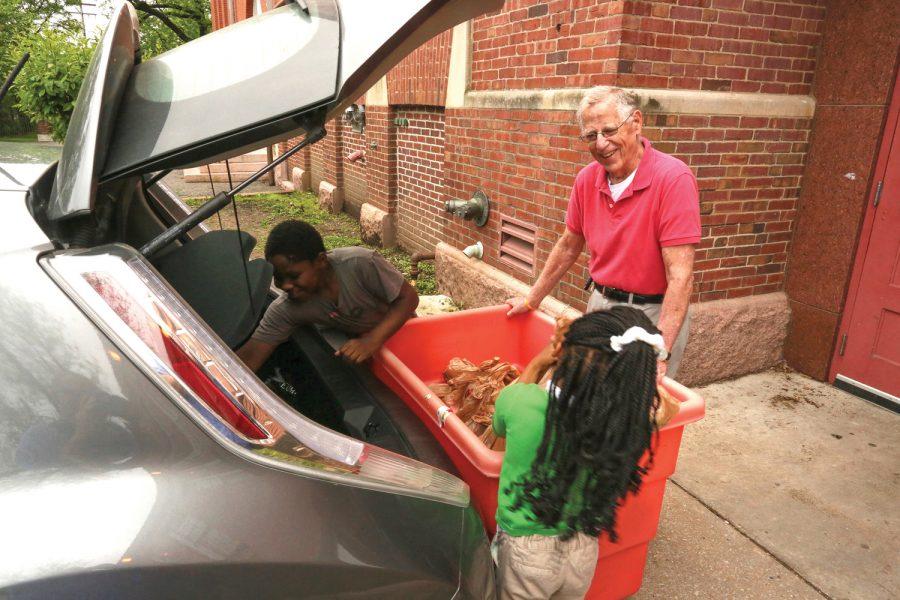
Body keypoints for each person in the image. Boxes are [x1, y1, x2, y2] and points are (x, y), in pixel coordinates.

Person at [507, 86, 700, 379]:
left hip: (649, 315)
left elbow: (680, 277)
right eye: (590, 136)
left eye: (609, 131)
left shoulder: (673, 179)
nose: (601, 144)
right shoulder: (586, 180)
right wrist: (532, 298)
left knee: (634, 411)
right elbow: (568, 246)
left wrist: (660, 349)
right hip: (600, 305)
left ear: (636, 122)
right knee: (590, 396)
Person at [492, 306, 676, 599]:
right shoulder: (627, 424)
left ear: (561, 353)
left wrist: (537, 364)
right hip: (583, 545)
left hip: (527, 549)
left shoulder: (521, 402)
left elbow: (498, 426)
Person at [237, 219, 419, 370]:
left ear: (321, 261)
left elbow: (409, 298)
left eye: (294, 276)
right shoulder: (287, 308)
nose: (285, 286)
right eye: (277, 277)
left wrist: (371, 341)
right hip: (373, 359)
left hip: (405, 337)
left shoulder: (360, 264)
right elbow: (251, 356)